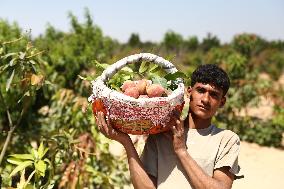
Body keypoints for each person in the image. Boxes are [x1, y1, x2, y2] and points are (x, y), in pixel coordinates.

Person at [95, 64, 240, 189]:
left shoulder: (226, 139)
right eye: (201, 90)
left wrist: (181, 151)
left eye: (214, 95)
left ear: (222, 102)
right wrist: (126, 142)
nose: (206, 99)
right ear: (189, 92)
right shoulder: (161, 133)